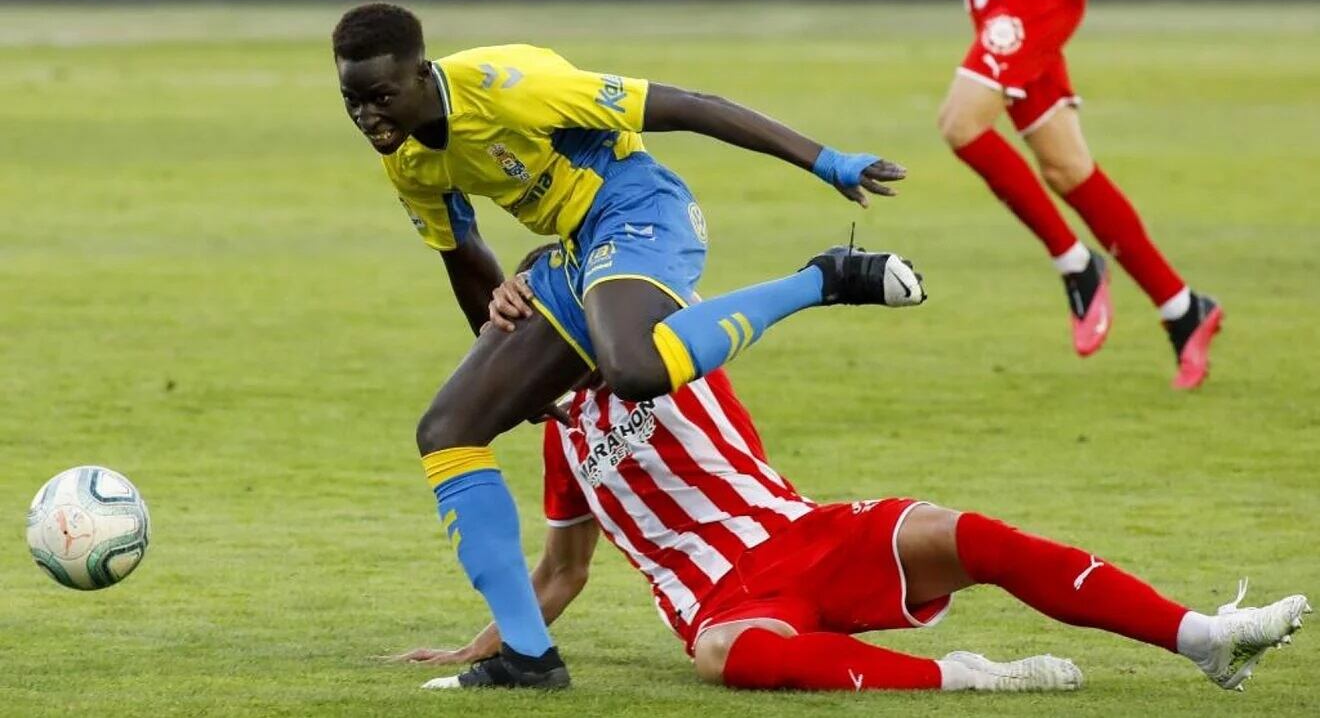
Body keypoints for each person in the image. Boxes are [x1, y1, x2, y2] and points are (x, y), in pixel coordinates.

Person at [333, 3, 926, 687]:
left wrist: (826, 161)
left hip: (641, 208)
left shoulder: (511, 88)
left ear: (421, 74)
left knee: (635, 367)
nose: (368, 117)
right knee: (447, 430)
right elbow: (462, 254)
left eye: (381, 97)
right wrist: (509, 357)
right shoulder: (406, 160)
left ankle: (821, 280)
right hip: (571, 255)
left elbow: (688, 105)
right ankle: (527, 657)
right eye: (352, 99)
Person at [393, 258, 1308, 692]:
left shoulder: (671, 347)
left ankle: (1202, 637)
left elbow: (645, 276)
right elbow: (562, 573)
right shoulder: (561, 446)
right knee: (728, 658)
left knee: (964, 533)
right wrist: (487, 646)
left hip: (808, 535)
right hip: (722, 599)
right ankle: (967, 676)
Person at [939, 0, 1222, 389]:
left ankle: (1077, 264)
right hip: (997, 3)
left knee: (960, 123)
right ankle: (1183, 309)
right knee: (1066, 167)